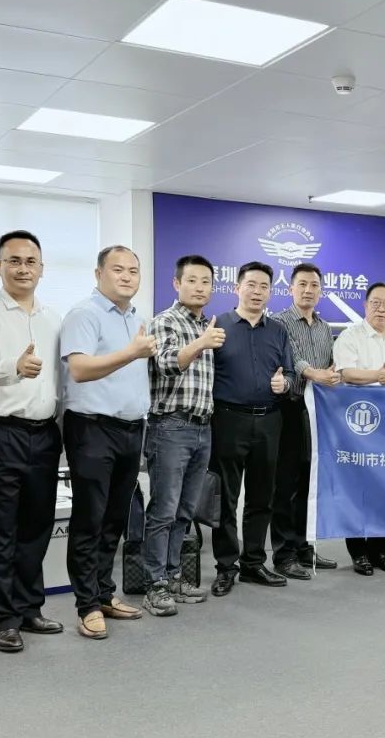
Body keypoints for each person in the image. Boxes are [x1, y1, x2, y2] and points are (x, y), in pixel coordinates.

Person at [0, 231, 63, 654]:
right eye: (14, 261)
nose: (23, 268)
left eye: (30, 261)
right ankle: (2, 619)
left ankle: (28, 608)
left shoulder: (53, 318)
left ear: (42, 268)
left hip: (44, 433)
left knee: (35, 528)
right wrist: (15, 367)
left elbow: (61, 380)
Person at [61, 245, 152, 639]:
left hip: (131, 428)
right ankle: (86, 605)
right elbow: (80, 369)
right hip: (92, 428)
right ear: (99, 274)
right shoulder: (84, 314)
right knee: (90, 518)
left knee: (115, 518)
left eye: (133, 270)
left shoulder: (138, 318)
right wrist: (131, 352)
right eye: (118, 269)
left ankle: (103, 593)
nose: (127, 276)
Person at [141, 254, 222, 616]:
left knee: (185, 510)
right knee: (163, 509)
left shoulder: (208, 324)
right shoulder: (165, 321)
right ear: (177, 283)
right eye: (192, 280)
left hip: (203, 426)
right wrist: (201, 343)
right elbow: (167, 364)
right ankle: (154, 584)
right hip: (170, 426)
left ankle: (173, 575)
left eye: (206, 281)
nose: (199, 287)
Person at [208, 261, 295, 598]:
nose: (257, 292)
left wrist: (285, 383)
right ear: (237, 288)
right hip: (228, 419)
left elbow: (290, 373)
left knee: (262, 497)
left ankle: (254, 563)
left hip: (270, 420)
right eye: (251, 285)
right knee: (226, 498)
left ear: (270, 292)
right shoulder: (218, 326)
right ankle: (225, 567)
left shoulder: (278, 331)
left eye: (264, 287)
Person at [333, 282, 385, 576]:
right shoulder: (350, 336)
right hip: (357, 429)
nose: (382, 309)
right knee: (358, 490)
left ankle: (380, 551)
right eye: (376, 303)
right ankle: (359, 553)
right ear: (365, 305)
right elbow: (345, 373)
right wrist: (376, 376)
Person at [270, 263, 341, 580]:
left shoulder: (325, 327)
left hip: (317, 412)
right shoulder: (280, 322)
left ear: (321, 290)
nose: (308, 290)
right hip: (289, 407)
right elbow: (293, 360)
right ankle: (283, 555)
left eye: (314, 285)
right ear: (290, 288)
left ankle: (304, 548)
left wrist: (336, 373)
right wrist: (315, 374)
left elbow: (332, 364)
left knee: (308, 483)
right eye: (302, 284)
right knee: (285, 485)